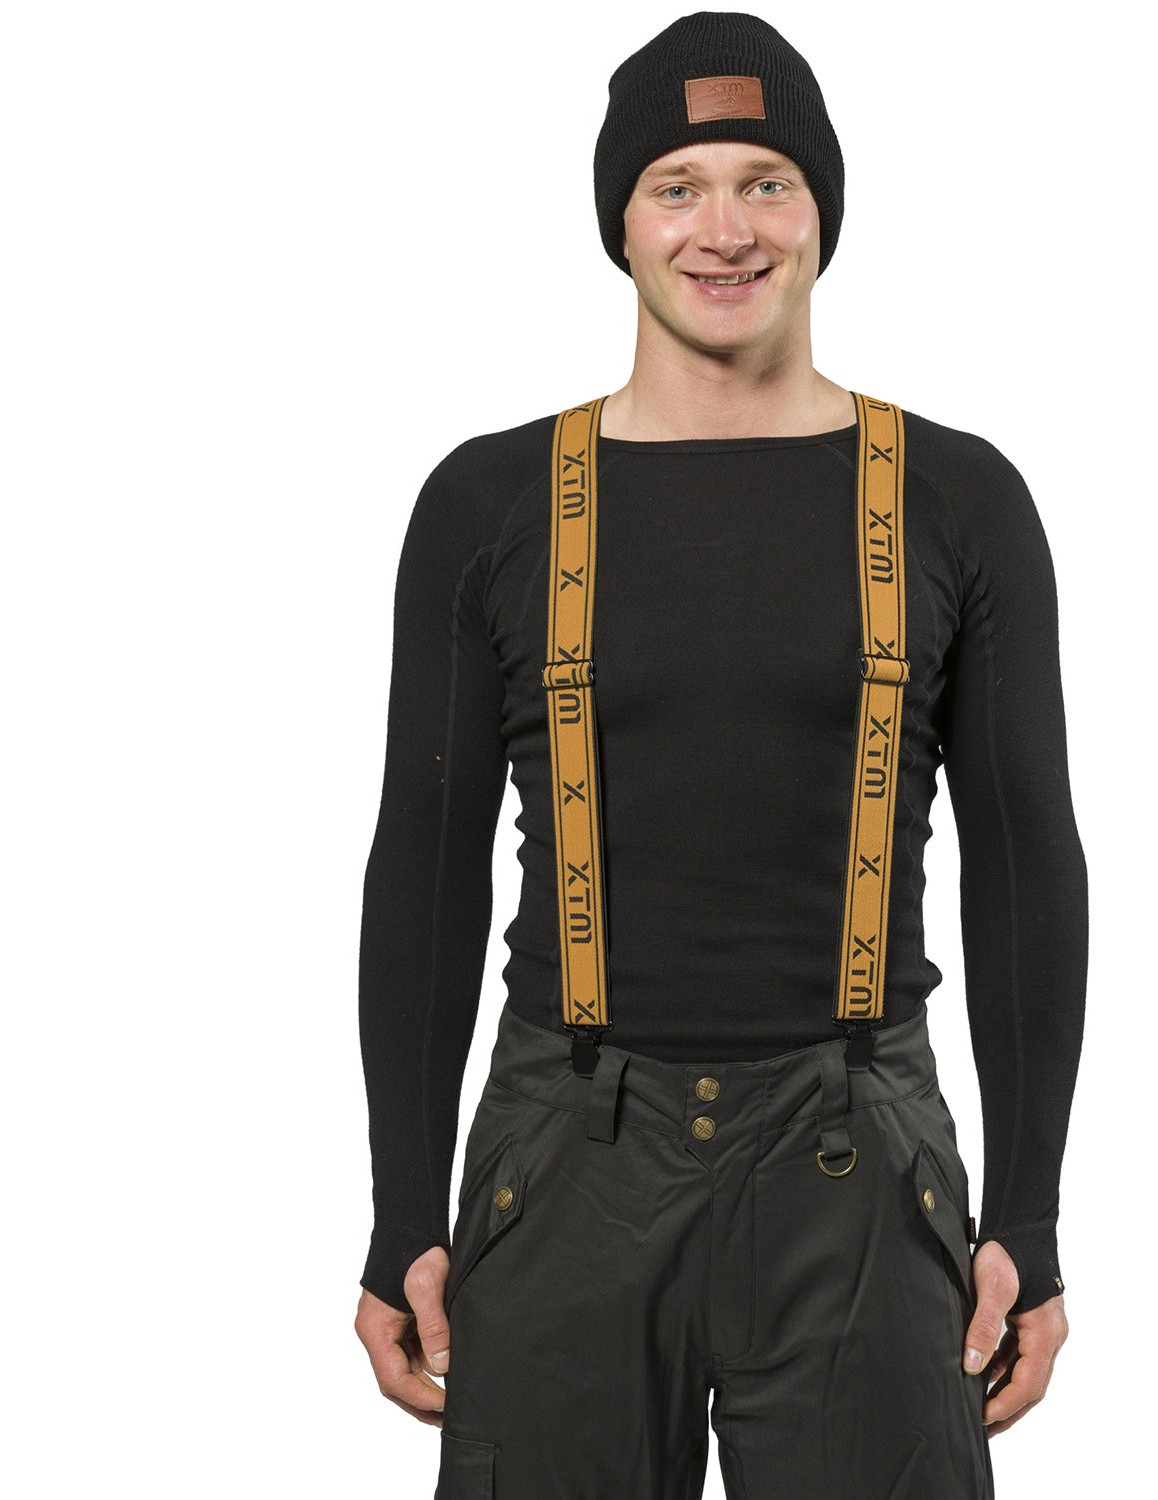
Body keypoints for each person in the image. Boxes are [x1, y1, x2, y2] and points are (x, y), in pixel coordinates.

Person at [353, 11, 1088, 1497]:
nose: (726, 230)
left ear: (822, 212)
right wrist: (401, 1214)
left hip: (861, 1155)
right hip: (562, 1155)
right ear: (621, 222)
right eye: (677, 186)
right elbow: (423, 867)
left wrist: (1030, 1213)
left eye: (767, 182)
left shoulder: (959, 498)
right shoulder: (488, 504)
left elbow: (1026, 862)